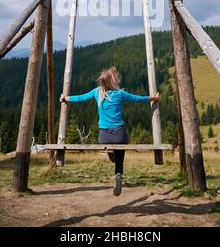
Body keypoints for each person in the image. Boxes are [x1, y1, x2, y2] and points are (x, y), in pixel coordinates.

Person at [59, 66, 161, 196]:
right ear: (113, 81)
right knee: (120, 151)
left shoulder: (97, 92)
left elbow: (81, 98)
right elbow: (138, 98)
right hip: (120, 134)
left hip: (104, 137)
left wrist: (65, 98)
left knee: (111, 148)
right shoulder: (120, 94)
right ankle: (118, 173)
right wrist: (154, 98)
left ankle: (112, 156)